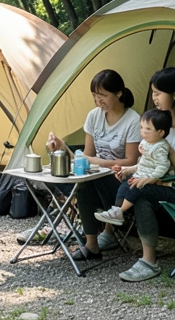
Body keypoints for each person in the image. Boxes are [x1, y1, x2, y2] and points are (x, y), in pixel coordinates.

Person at [116, 66, 175, 282]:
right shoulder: (159, 122)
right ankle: (148, 259)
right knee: (139, 190)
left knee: (143, 189)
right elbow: (149, 162)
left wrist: (166, 147)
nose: (154, 98)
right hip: (163, 186)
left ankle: (145, 257)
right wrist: (130, 170)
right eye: (153, 93)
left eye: (158, 93)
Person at [43, 70, 140, 258]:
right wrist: (62, 148)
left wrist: (99, 162)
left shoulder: (133, 121)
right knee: (83, 184)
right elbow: (87, 155)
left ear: (119, 93)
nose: (98, 100)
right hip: (96, 176)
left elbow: (131, 161)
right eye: (95, 96)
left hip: (121, 181)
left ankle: (100, 239)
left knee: (88, 183)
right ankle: (92, 245)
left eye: (103, 95)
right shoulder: (94, 116)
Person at [94, 108, 172, 227]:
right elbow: (143, 163)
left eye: (148, 129)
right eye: (141, 127)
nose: (143, 132)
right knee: (123, 188)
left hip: (148, 180)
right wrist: (129, 170)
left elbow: (163, 165)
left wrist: (153, 178)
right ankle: (116, 211)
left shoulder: (160, 147)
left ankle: (120, 211)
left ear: (161, 132)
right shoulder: (147, 142)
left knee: (134, 190)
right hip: (139, 176)